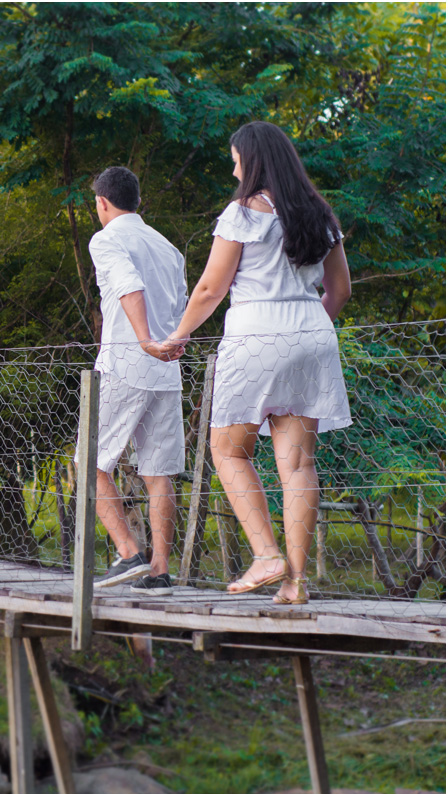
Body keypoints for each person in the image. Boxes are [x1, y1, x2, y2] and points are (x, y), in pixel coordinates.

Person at [153, 121, 352, 605]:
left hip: (255, 334)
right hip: (312, 334)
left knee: (228, 450)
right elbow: (341, 290)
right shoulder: (320, 214)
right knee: (299, 464)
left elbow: (210, 288)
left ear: (254, 161)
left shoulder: (243, 212)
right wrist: (305, 330)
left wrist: (177, 336)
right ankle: (296, 583)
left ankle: (266, 555)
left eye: (236, 159)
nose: (234, 169)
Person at [84, 166, 189, 596]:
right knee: (158, 472)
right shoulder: (167, 247)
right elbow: (183, 306)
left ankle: (129, 554)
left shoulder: (106, 239)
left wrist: (144, 339)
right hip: (166, 368)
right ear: (138, 200)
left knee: (90, 463)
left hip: (127, 363)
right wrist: (168, 343)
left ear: (102, 202)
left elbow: (129, 286)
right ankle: (159, 571)